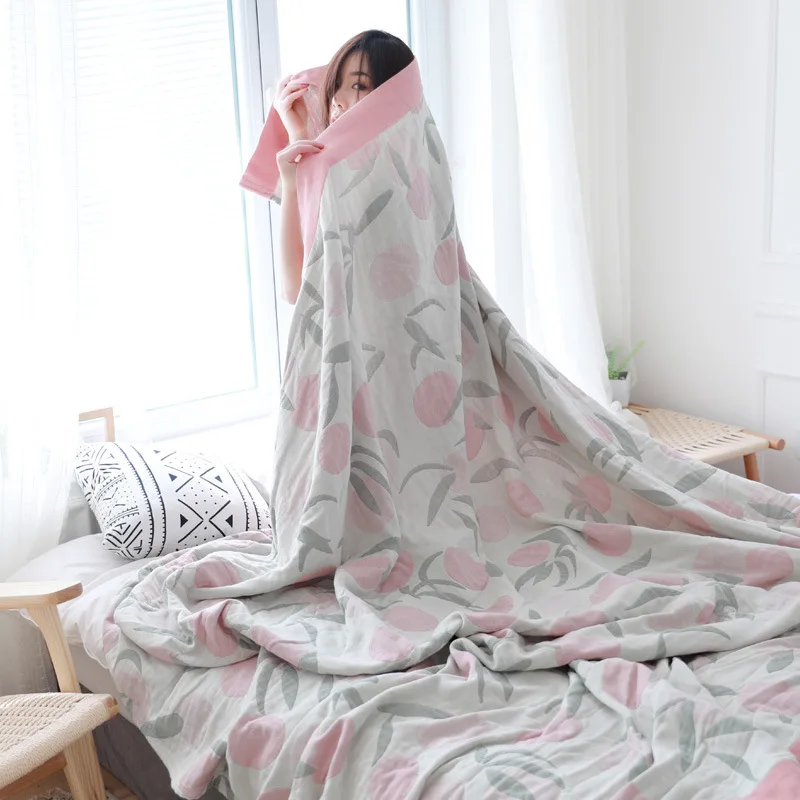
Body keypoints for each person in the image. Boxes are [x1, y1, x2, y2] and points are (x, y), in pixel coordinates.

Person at [273, 30, 415, 304]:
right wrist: (294, 169)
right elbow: (298, 292)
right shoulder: (341, 174)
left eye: (359, 85)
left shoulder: (391, 179)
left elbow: (299, 292)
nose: (336, 98)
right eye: (335, 85)